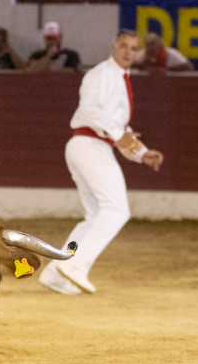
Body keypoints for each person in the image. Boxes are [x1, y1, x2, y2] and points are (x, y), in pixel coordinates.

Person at [37, 30, 163, 295]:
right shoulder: (101, 75)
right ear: (112, 46)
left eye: (133, 48)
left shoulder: (118, 78)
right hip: (90, 144)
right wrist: (118, 136)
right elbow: (90, 112)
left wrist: (143, 153)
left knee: (96, 215)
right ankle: (77, 266)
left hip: (91, 146)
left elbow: (121, 128)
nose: (129, 52)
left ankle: (55, 273)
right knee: (117, 210)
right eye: (124, 46)